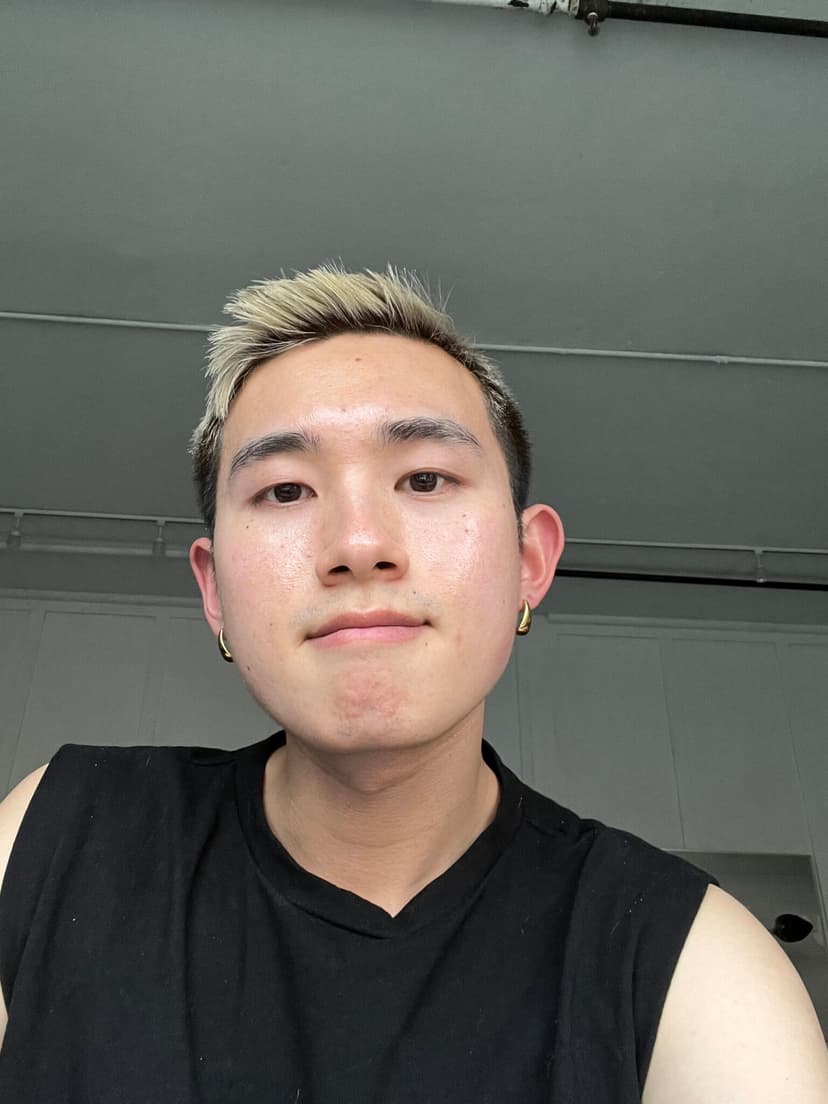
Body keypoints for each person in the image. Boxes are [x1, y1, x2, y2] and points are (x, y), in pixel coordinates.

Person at [0, 264, 826, 1102]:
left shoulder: (690, 963)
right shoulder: (56, 839)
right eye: (285, 490)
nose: (358, 544)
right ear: (214, 591)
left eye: (425, 479)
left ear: (528, 561)